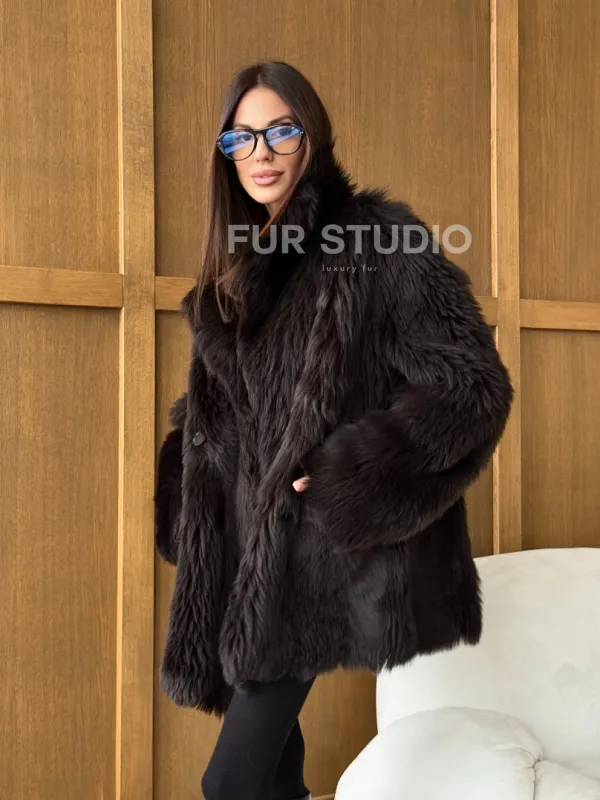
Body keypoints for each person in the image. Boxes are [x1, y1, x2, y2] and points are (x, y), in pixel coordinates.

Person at [153, 61, 513, 800]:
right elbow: (228, 407)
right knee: (272, 777)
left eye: (279, 131)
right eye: (241, 137)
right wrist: (189, 486)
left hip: (314, 551)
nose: (260, 152)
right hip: (245, 548)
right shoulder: (238, 264)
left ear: (311, 137)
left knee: (230, 784)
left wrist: (349, 477)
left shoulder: (380, 242)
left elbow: (470, 385)